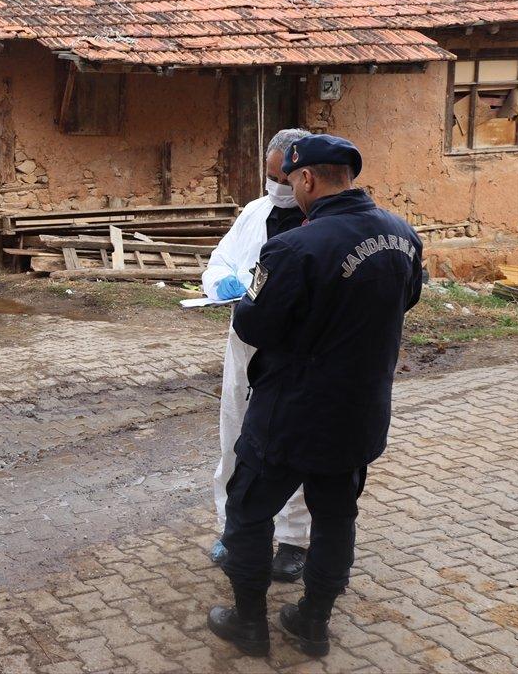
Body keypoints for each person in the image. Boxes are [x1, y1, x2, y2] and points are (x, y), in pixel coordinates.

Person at [207, 134, 423, 658]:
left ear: (306, 178)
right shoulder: (402, 234)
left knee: (248, 511)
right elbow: (408, 297)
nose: (286, 190)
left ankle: (250, 623)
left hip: (292, 410)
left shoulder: (294, 246)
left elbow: (255, 323)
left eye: (290, 180)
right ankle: (312, 623)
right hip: (359, 410)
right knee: (335, 515)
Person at [202, 129, 311, 581]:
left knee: (292, 446)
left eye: (281, 180)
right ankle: (235, 527)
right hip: (246, 345)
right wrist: (220, 281)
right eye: (268, 179)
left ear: (305, 176)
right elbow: (220, 260)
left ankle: (294, 542)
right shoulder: (254, 212)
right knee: (236, 437)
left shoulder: (323, 223)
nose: (274, 189)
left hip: (296, 353)